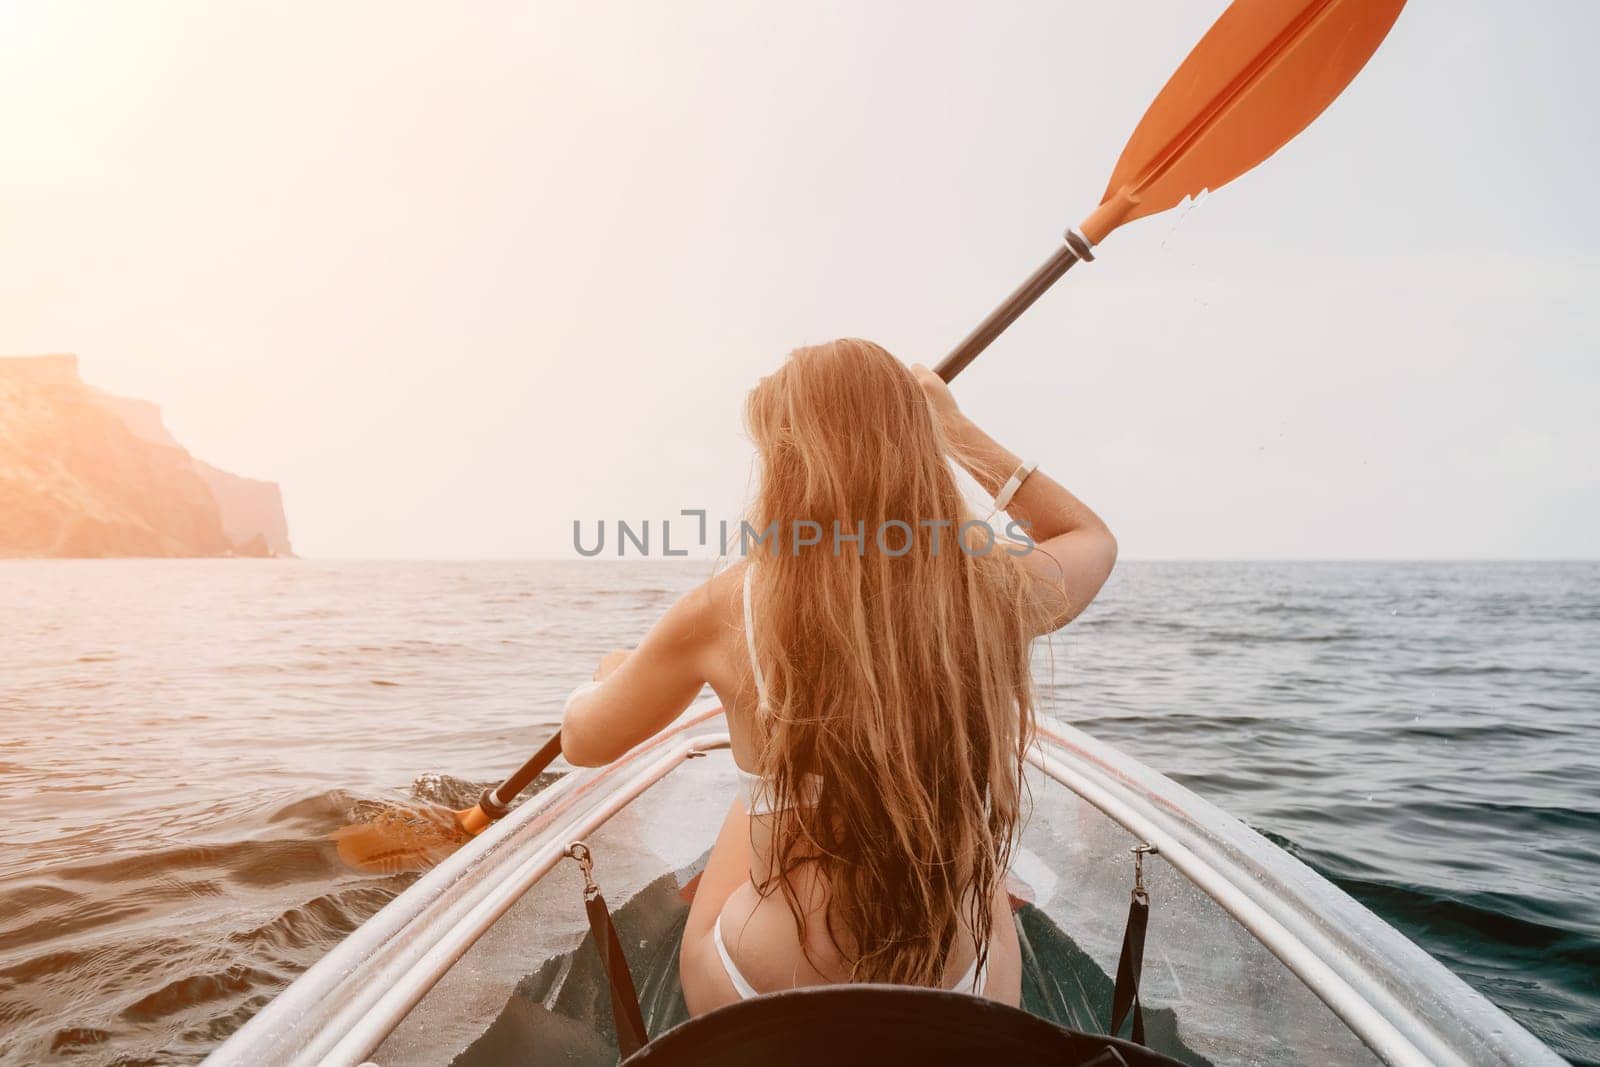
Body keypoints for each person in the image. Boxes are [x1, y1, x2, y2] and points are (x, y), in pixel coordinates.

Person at [560, 338, 1116, 1014]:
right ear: (918, 448)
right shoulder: (989, 592)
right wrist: (956, 430)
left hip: (767, 977)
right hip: (956, 976)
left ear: (784, 468)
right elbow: (1089, 536)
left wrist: (609, 675)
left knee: (762, 790)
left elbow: (583, 741)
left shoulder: (723, 611)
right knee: (975, 865)